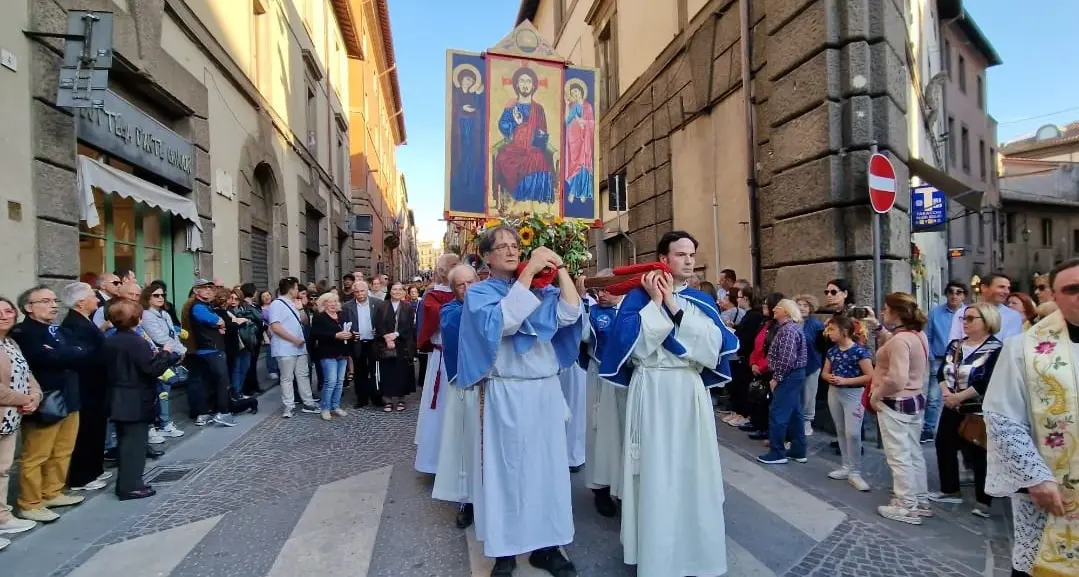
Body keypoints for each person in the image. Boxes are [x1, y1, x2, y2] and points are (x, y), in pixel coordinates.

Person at [598, 231, 738, 577]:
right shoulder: (636, 299)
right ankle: (657, 557)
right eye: (680, 254)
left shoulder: (700, 300)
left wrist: (672, 306)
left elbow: (713, 346)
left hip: (688, 391)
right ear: (663, 258)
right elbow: (632, 348)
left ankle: (696, 555)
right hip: (653, 389)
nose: (689, 261)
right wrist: (655, 303)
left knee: (694, 470)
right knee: (654, 470)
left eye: (692, 254)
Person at [455, 226, 582, 576]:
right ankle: (506, 552)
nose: (511, 251)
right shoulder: (480, 293)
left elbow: (570, 314)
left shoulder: (540, 290)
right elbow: (505, 322)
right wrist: (529, 270)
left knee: (548, 472)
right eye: (503, 247)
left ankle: (548, 546)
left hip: (543, 390)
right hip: (506, 393)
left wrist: (560, 270)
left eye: (516, 245)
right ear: (486, 256)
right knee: (507, 473)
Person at [984, 258, 1079, 577]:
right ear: (1053, 295)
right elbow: (1002, 417)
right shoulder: (1022, 348)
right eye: (1072, 289)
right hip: (1052, 490)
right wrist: (1036, 478)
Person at [11, 286, 90, 523]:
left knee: (63, 449)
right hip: (45, 398)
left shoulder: (59, 329)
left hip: (70, 395)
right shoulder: (24, 332)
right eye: (45, 301)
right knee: (37, 454)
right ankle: (30, 502)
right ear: (28, 307)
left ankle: (52, 491)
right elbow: (44, 357)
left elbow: (82, 351)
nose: (53, 305)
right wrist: (68, 352)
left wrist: (66, 352)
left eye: (55, 300)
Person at [101, 298, 180, 500]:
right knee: (134, 445)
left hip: (117, 396)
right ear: (137, 318)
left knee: (127, 443)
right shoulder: (135, 341)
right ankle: (130, 486)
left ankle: (128, 483)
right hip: (134, 398)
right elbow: (152, 368)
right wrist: (166, 353)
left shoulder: (111, 339)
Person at [929, 302, 1001, 518]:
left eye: (971, 319)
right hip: (952, 405)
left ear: (986, 322)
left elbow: (987, 380)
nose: (965, 323)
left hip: (978, 410)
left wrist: (959, 396)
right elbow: (942, 372)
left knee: (979, 453)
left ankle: (984, 500)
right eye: (964, 318)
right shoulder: (955, 345)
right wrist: (947, 394)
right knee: (944, 444)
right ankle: (950, 489)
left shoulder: (996, 349)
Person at [870, 293, 932, 525]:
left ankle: (906, 505)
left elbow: (896, 378)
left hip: (896, 401)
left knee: (899, 456)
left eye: (886, 309)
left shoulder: (900, 340)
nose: (884, 312)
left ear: (896, 313)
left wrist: (876, 395)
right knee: (913, 452)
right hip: (914, 400)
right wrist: (879, 328)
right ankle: (920, 499)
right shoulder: (917, 335)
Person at [431, 263, 478, 529]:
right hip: (464, 387)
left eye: (472, 282)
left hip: (489, 387)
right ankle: (466, 500)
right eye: (462, 284)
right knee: (464, 445)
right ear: (454, 290)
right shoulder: (450, 311)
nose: (469, 288)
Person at [580, 269, 627, 517]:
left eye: (609, 288)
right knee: (599, 432)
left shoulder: (632, 309)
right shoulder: (594, 313)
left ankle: (623, 486)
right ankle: (600, 487)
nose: (603, 294)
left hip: (626, 380)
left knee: (623, 434)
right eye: (599, 289)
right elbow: (584, 335)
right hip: (600, 377)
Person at [59, 283, 111, 492]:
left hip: (94, 384)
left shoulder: (83, 321)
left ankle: (94, 468)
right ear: (81, 302)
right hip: (87, 385)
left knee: (95, 428)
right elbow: (84, 355)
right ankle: (83, 475)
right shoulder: (75, 323)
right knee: (87, 430)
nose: (97, 300)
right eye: (92, 296)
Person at [0, 297, 42, 545]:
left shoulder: (11, 342)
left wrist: (35, 396)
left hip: (10, 417)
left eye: (8, 311)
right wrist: (22, 398)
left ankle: (3, 517)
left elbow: (27, 374)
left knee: (3, 469)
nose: (5, 315)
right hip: (9, 409)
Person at [414, 254, 459, 474]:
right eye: (453, 266)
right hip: (441, 358)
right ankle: (434, 460)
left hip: (462, 356)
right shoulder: (432, 296)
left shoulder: (468, 291)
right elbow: (432, 317)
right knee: (439, 404)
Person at [822, 314, 873, 491]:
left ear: (844, 331)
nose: (828, 333)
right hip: (835, 393)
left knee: (853, 433)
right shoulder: (832, 351)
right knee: (841, 430)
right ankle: (846, 466)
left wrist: (845, 381)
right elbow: (824, 372)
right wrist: (829, 377)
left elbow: (869, 376)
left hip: (854, 394)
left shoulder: (859, 351)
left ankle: (855, 471)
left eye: (832, 329)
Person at [181, 280, 236, 427]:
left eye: (210, 288)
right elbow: (217, 320)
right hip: (211, 349)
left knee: (207, 383)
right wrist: (219, 323)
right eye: (204, 288)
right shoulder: (198, 307)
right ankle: (223, 413)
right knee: (222, 381)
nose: (209, 290)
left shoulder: (204, 306)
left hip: (209, 348)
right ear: (196, 291)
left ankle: (204, 413)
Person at [268, 277, 319, 418]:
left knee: (303, 375)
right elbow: (276, 327)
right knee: (287, 378)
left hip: (299, 347)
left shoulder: (293, 303)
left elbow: (304, 321)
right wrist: (294, 340)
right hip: (285, 348)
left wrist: (301, 309)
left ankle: (308, 403)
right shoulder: (276, 304)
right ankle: (289, 406)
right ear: (291, 289)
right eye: (296, 288)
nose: (298, 291)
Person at [923, 281, 967, 443]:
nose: (954, 295)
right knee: (934, 396)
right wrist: (932, 356)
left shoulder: (969, 313)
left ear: (964, 295)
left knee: (960, 395)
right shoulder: (935, 313)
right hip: (940, 358)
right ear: (946, 294)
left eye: (959, 292)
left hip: (962, 358)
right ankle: (928, 429)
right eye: (951, 292)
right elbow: (928, 335)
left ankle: (961, 430)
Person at [374, 282, 417, 412]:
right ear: (390, 291)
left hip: (402, 344)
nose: (397, 291)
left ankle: (401, 399)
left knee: (401, 372)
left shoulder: (408, 307)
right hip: (385, 343)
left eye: (400, 289)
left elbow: (409, 326)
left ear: (404, 292)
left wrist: (396, 334)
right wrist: (387, 337)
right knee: (387, 372)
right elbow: (378, 324)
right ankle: (387, 399)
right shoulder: (382, 306)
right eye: (394, 289)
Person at [310, 292, 351, 420]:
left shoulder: (341, 315)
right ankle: (325, 408)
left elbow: (348, 330)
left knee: (339, 382)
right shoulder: (320, 317)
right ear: (324, 304)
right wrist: (334, 336)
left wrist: (351, 335)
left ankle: (336, 406)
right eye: (329, 301)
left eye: (335, 301)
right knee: (330, 381)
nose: (333, 304)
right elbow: (315, 334)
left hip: (342, 353)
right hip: (327, 353)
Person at [948, 273, 1024, 342]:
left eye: (1008, 288)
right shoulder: (962, 312)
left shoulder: (1013, 316)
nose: (1006, 291)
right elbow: (954, 342)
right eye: (1001, 287)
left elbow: (1012, 346)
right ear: (984, 287)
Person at [343, 279, 383, 409]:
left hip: (374, 343)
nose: (360, 294)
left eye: (362, 291)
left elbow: (384, 322)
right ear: (353, 293)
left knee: (375, 371)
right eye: (357, 292)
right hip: (357, 343)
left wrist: (378, 330)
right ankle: (362, 398)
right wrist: (351, 333)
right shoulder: (347, 306)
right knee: (360, 373)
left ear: (367, 291)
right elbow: (344, 325)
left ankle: (377, 397)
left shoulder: (377, 303)